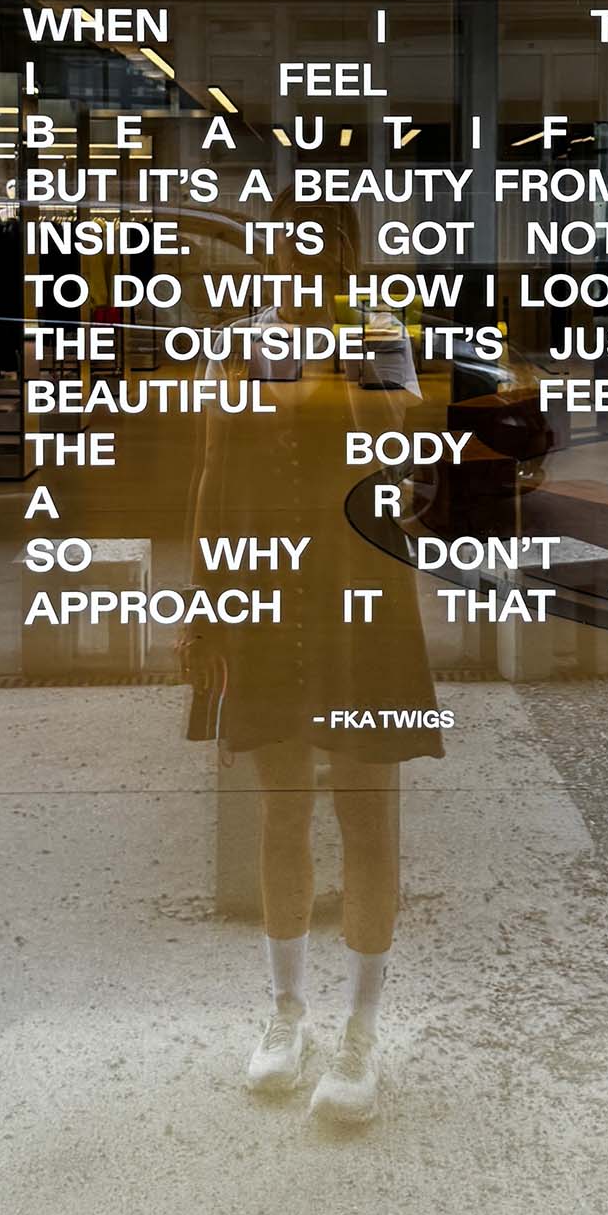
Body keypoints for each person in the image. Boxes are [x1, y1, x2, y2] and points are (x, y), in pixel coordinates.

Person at [184, 201, 443, 1127]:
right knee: (280, 810)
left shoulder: (376, 336)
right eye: (287, 253)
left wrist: (351, 357)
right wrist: (204, 605)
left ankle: (361, 1031)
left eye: (321, 254)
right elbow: (213, 473)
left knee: (366, 817)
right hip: (260, 599)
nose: (300, 270)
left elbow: (405, 456)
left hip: (358, 601)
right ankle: (285, 1010)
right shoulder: (238, 344)